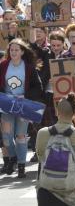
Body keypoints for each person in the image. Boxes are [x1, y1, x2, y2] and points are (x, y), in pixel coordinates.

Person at [0, 39, 43, 178]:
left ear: (22, 52)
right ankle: (12, 157)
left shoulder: (29, 67)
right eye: (11, 50)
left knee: (21, 136)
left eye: (16, 50)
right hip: (6, 105)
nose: (13, 52)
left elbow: (38, 87)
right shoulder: (3, 66)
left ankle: (21, 165)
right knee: (6, 136)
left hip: (23, 106)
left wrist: (26, 95)